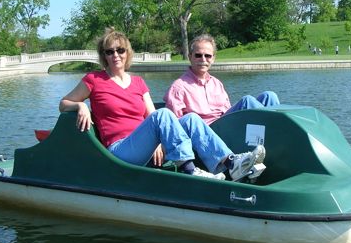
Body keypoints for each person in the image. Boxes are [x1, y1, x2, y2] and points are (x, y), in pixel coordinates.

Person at [59, 28, 266, 182]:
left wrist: (158, 142)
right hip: (120, 149)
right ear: (103, 55)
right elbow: (63, 103)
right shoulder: (94, 79)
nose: (115, 55)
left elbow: (150, 115)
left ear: (127, 52)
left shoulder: (138, 83)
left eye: (120, 50)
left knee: (191, 119)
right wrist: (81, 106)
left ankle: (231, 164)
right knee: (163, 115)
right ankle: (189, 170)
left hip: (146, 145)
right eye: (109, 51)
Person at [164, 34, 280, 126]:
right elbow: (174, 123)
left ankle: (276, 131)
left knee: (269, 96)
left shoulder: (216, 83)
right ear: (190, 57)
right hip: (207, 131)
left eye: (208, 56)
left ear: (213, 59)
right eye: (198, 55)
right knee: (247, 101)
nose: (203, 59)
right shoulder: (179, 87)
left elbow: (227, 111)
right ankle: (279, 130)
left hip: (226, 124)